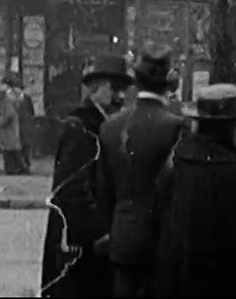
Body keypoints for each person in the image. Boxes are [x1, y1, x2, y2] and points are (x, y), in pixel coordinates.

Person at [153, 84, 236, 298]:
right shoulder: (231, 172)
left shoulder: (175, 161)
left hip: (173, 279)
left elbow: (158, 211)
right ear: (234, 125)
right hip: (217, 282)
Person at [96, 47, 187, 298]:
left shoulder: (110, 127)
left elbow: (103, 191)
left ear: (135, 81)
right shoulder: (176, 127)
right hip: (163, 241)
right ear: (169, 83)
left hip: (123, 237)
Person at [41, 55, 133, 298]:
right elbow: (71, 192)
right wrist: (99, 233)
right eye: (115, 89)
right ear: (96, 88)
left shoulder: (102, 125)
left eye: (123, 90)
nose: (121, 97)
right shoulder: (81, 127)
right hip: (81, 247)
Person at [0, 74, 26, 175]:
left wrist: (2, 122)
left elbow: (8, 113)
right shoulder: (17, 97)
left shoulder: (8, 98)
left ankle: (12, 169)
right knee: (14, 149)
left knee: (8, 150)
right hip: (14, 126)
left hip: (9, 127)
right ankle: (20, 168)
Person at [18, 81, 36, 172]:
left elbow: (31, 112)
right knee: (19, 147)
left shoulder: (27, 99)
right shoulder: (16, 99)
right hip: (18, 126)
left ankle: (26, 165)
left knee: (26, 146)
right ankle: (21, 165)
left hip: (26, 126)